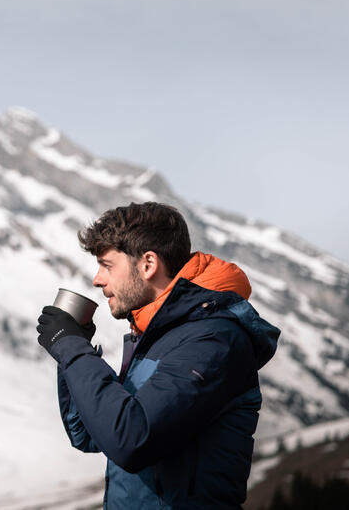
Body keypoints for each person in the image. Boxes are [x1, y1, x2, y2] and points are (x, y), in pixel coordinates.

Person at [36, 202, 280, 509]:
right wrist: (72, 351)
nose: (97, 279)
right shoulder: (156, 336)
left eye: (107, 265)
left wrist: (71, 347)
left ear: (148, 264)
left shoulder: (213, 340)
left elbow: (131, 440)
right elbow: (88, 433)